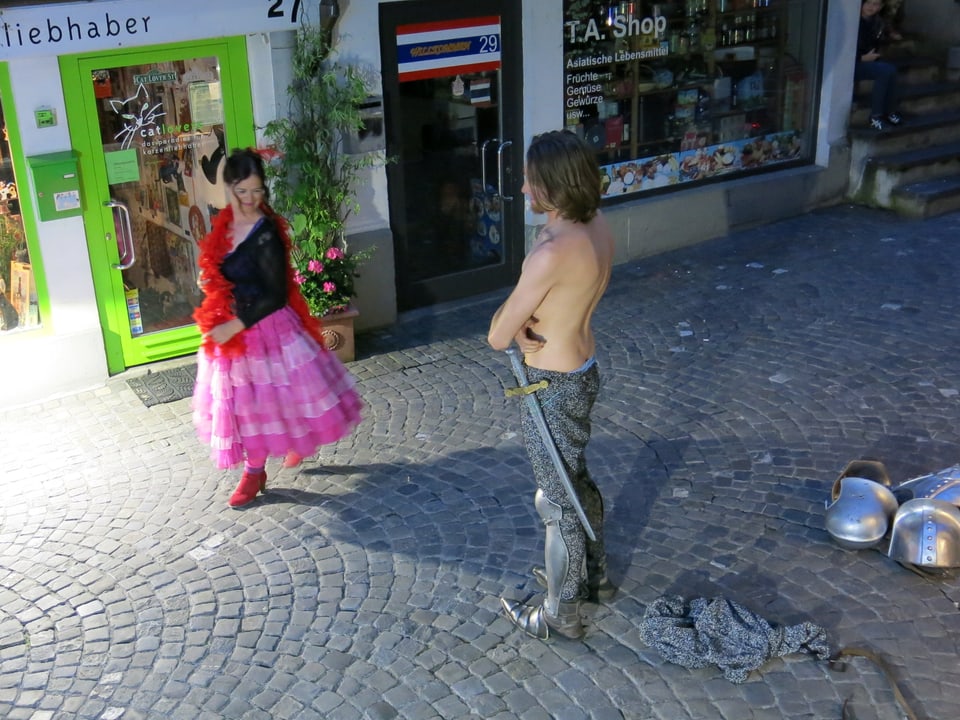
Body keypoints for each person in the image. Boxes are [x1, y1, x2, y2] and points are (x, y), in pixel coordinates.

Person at [487, 130, 615, 640]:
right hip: (582, 371)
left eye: (529, 180)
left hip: (548, 386)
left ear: (553, 184)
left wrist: (513, 319)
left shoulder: (554, 251)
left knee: (554, 498)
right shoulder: (596, 227)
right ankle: (593, 577)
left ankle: (560, 614)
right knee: (574, 480)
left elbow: (498, 335)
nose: (522, 189)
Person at [192, 148, 363, 507]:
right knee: (252, 404)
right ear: (228, 188)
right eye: (242, 192)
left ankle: (254, 472)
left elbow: (277, 294)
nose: (251, 200)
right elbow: (225, 271)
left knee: (271, 399)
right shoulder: (222, 225)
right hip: (232, 330)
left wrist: (234, 325)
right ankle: (263, 463)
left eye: (257, 191)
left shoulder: (266, 233)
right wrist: (210, 280)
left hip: (265, 326)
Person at [856, 0, 903, 131]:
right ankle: (875, 115)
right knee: (885, 71)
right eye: (869, 3)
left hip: (869, 61)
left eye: (876, 4)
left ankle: (890, 112)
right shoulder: (854, 21)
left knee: (891, 70)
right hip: (851, 64)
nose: (872, 7)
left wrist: (892, 35)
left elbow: (883, 35)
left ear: (881, 7)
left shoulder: (877, 22)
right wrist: (861, 58)